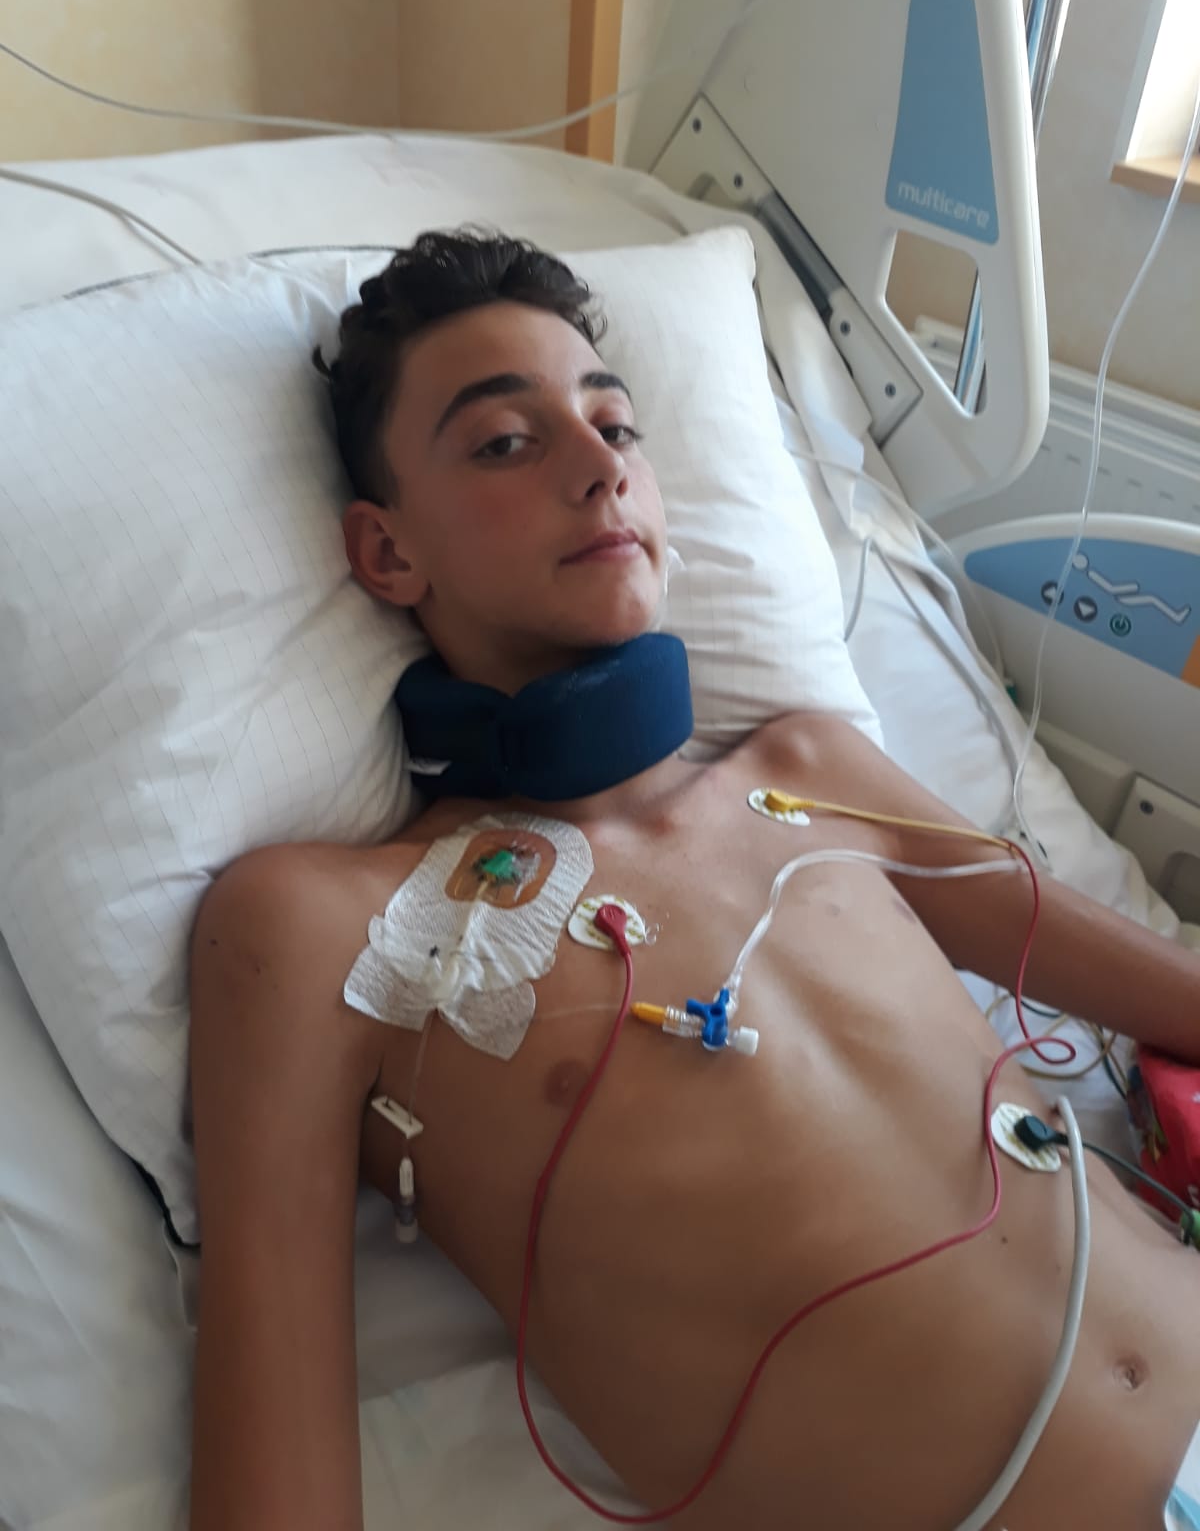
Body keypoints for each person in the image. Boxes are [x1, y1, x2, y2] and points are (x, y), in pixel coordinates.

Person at [187, 230, 1200, 1531]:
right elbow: (273, 1452)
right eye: (507, 442)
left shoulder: (815, 770)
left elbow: (1171, 995)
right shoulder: (323, 926)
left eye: (616, 425)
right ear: (387, 554)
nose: (601, 464)